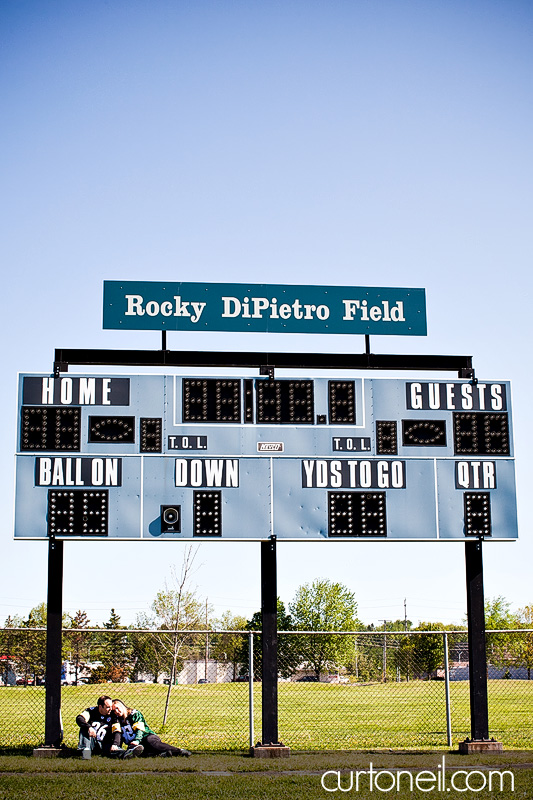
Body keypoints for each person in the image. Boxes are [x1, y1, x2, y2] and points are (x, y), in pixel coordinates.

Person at [111, 698, 191, 758]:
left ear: (122, 705)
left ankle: (179, 751)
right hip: (135, 744)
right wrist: (116, 746)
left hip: (146, 736)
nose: (117, 712)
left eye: (117, 708)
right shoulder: (116, 719)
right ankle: (162, 754)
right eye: (114, 711)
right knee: (137, 752)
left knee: (150, 742)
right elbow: (117, 733)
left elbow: (140, 729)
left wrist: (137, 740)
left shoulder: (134, 714)